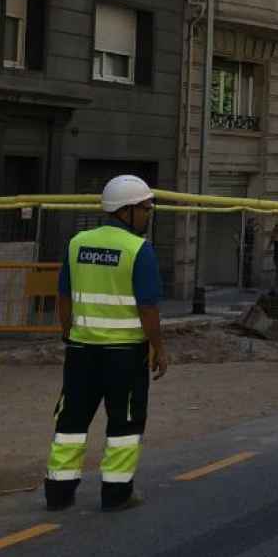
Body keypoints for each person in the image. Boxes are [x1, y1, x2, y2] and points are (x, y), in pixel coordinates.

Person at [45, 175, 169, 513]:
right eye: (146, 208)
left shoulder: (77, 243)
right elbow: (148, 307)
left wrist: (69, 333)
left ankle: (58, 491)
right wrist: (159, 346)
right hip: (125, 354)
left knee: (71, 419)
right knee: (125, 423)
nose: (149, 214)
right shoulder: (138, 250)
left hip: (81, 351)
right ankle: (116, 493)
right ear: (127, 210)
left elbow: (64, 298)